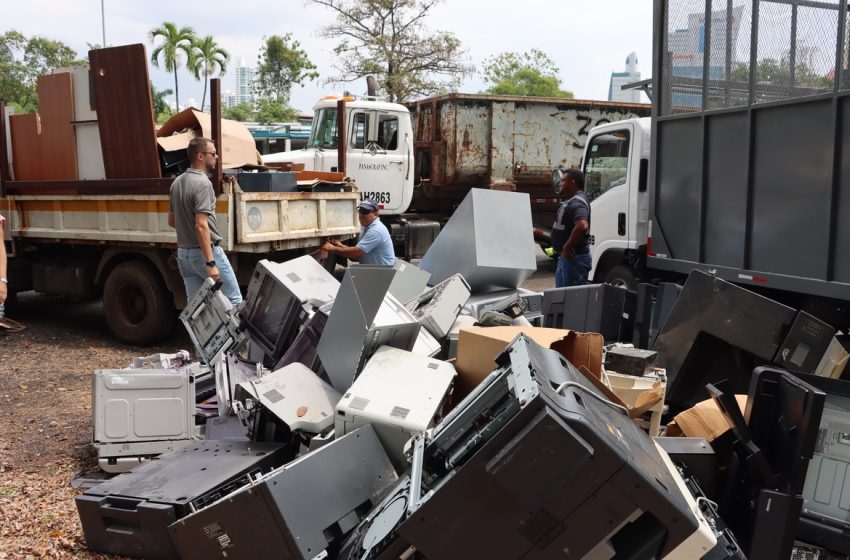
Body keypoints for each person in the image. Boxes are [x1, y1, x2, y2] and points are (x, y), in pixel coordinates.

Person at [168, 137, 242, 304]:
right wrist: (210, 263)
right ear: (200, 156)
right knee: (233, 300)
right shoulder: (203, 184)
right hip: (205, 254)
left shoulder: (176, 183)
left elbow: (172, 221)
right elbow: (201, 225)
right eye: (213, 154)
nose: (216, 157)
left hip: (184, 255)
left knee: (197, 307)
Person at [322, 199, 395, 265]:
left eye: (365, 212)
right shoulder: (366, 228)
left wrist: (332, 248)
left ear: (375, 214)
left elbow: (356, 253)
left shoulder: (376, 230)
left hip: (384, 273)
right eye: (360, 211)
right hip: (374, 271)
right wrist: (340, 246)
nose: (361, 215)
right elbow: (359, 254)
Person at [552, 168, 591, 288]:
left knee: (571, 302)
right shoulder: (571, 200)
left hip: (574, 260)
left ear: (572, 182)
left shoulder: (577, 202)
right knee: (562, 299)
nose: (560, 183)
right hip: (567, 259)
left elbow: (582, 225)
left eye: (563, 180)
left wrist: (567, 247)